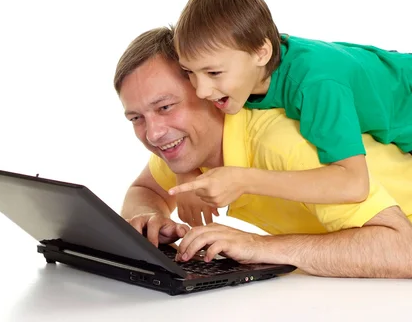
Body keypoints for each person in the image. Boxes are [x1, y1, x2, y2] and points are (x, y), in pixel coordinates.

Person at [114, 26, 412, 278]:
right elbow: (144, 189)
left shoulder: (283, 143)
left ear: (207, 89)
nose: (153, 133)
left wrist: (258, 246)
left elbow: (403, 249)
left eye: (165, 107)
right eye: (136, 118)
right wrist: (148, 217)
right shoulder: (189, 147)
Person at [170, 0, 412, 219]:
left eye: (213, 73)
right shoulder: (244, 70)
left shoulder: (316, 86)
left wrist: (243, 180)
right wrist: (187, 171)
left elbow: (354, 184)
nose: (200, 91)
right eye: (189, 72)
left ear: (261, 53)